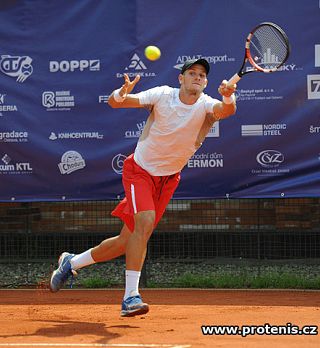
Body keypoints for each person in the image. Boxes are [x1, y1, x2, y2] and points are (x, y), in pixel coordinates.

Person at [49, 58, 237, 317]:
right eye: (191, 73)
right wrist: (121, 93)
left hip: (168, 179)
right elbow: (116, 102)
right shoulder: (162, 95)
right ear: (180, 79)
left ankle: (72, 262)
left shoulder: (206, 105)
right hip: (140, 172)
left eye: (202, 75)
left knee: (125, 241)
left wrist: (228, 97)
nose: (197, 77)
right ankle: (130, 297)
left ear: (206, 82)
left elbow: (226, 111)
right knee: (144, 223)